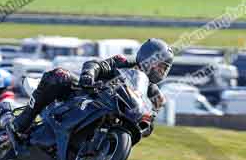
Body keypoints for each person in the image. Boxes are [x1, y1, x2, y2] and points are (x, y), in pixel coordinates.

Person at [10, 38, 173, 135]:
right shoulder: (122, 62)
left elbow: (148, 122)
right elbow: (97, 65)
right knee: (59, 75)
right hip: (86, 95)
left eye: (164, 69)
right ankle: (23, 121)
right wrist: (89, 75)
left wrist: (147, 125)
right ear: (148, 58)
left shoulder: (154, 95)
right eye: (159, 66)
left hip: (112, 116)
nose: (160, 71)